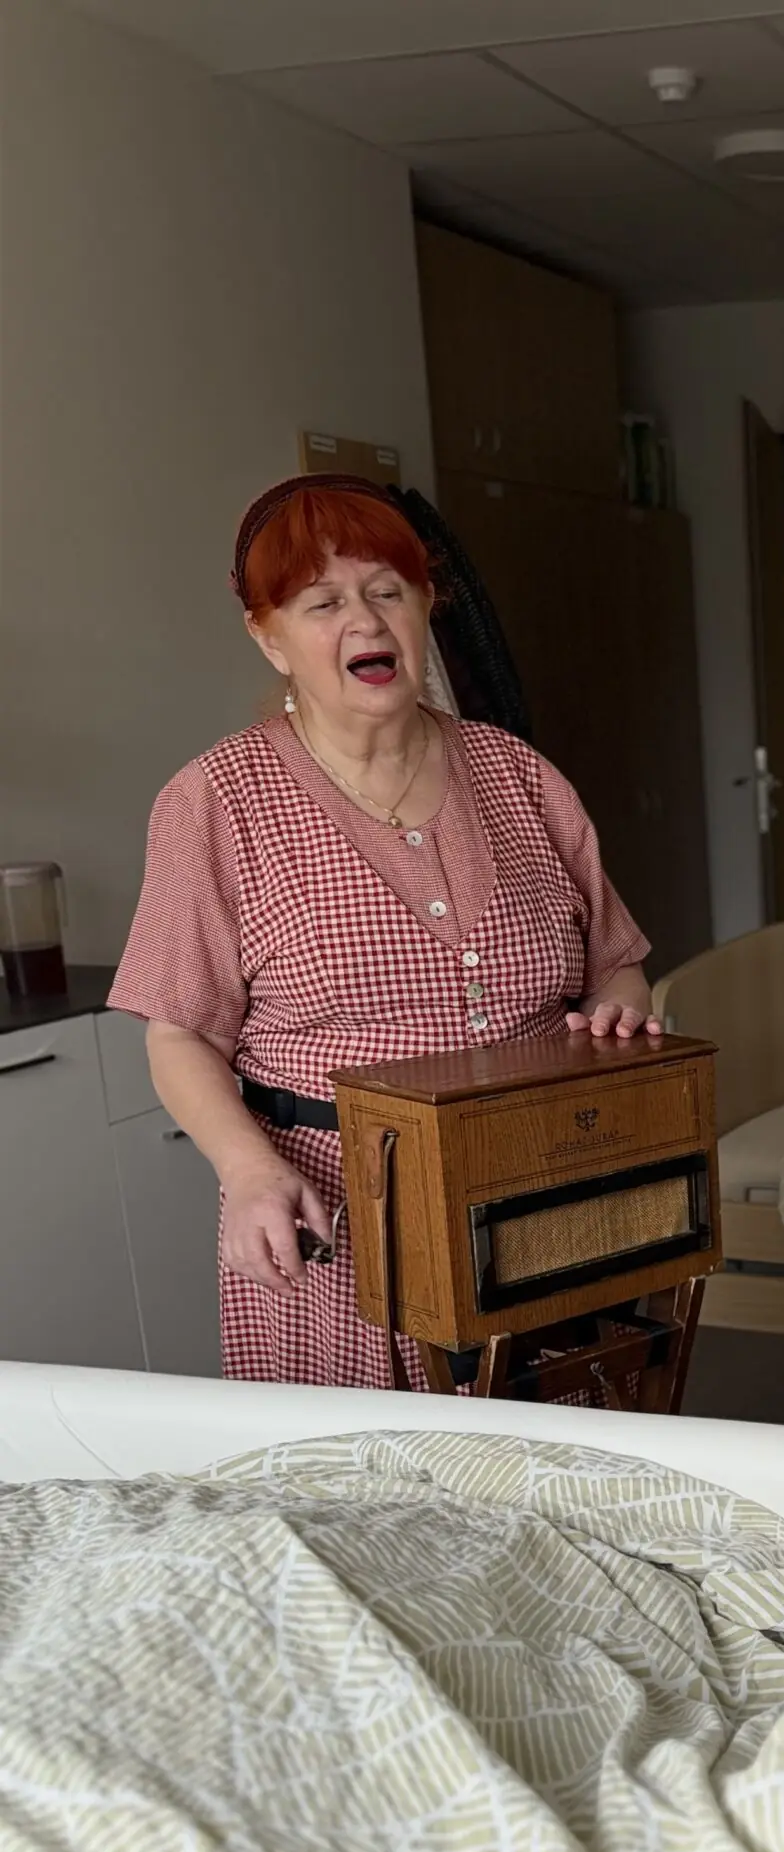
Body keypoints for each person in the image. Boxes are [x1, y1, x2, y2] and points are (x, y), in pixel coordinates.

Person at [110, 474, 661, 1389]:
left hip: (543, 1206)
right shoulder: (217, 801)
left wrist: (617, 1013)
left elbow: (618, 968)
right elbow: (181, 1036)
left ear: (423, 608)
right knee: (373, 1470)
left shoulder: (518, 773)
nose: (364, 621)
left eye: (386, 591)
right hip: (342, 1226)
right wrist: (249, 1171)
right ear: (269, 636)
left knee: (558, 1456)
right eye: (322, 603)